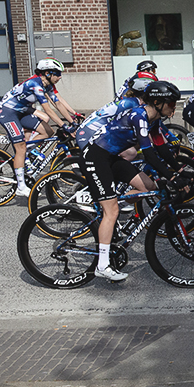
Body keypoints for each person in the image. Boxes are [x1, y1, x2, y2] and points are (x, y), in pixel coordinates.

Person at [79, 81, 184, 282]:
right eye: (171, 103)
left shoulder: (154, 120)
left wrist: (179, 170)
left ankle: (111, 203)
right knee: (112, 212)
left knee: (149, 187)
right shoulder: (139, 116)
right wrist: (172, 177)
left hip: (111, 157)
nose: (173, 107)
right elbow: (150, 155)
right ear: (157, 102)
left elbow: (162, 149)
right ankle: (102, 265)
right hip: (95, 157)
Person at [0, 59, 73, 199]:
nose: (60, 76)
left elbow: (57, 104)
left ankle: (26, 156)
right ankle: (21, 186)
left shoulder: (47, 86)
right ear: (47, 73)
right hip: (8, 112)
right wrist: (64, 126)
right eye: (57, 73)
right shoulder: (36, 85)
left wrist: (71, 121)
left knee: (48, 132)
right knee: (20, 147)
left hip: (22, 111)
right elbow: (48, 110)